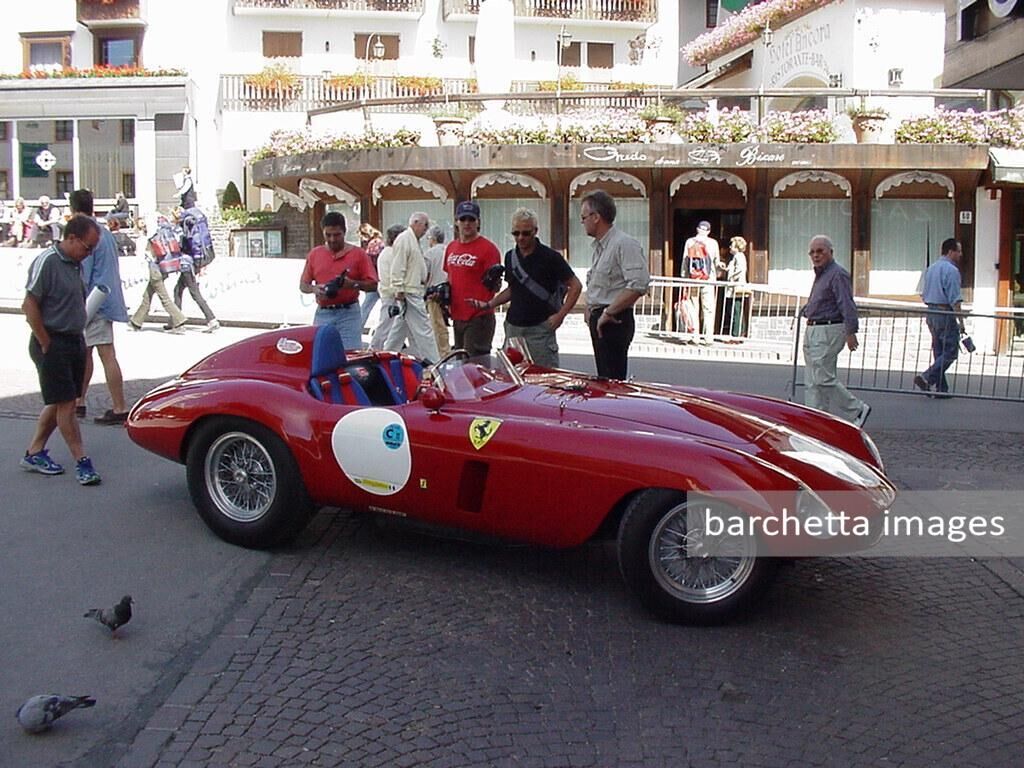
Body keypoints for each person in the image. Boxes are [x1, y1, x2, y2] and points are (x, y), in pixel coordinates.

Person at [20, 215, 102, 485]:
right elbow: (29, 304)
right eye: (87, 247)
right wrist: (45, 341)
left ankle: (34, 452)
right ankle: (82, 461)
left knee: (59, 402)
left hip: (73, 339)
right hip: (53, 341)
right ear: (71, 238)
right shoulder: (48, 262)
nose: (88, 254)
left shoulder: (74, 264)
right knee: (67, 404)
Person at [472, 208, 581, 368]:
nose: (520, 238)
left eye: (526, 233)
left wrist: (560, 315)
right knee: (510, 379)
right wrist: (489, 304)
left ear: (535, 231)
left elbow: (576, 285)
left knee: (545, 380)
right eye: (516, 233)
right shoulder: (510, 256)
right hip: (513, 328)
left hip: (540, 329)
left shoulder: (551, 257)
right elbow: (513, 289)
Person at [67, 190, 130, 425]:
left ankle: (119, 406)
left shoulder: (86, 232)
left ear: (74, 208)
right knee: (87, 352)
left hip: (93, 302)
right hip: (105, 298)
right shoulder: (105, 232)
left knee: (104, 353)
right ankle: (79, 400)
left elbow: (83, 271)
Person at [801, 234, 870, 427]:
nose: (816, 255)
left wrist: (851, 331)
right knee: (812, 381)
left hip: (829, 328)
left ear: (830, 252)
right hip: (814, 328)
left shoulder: (837, 274)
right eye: (812, 252)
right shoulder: (821, 274)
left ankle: (856, 409)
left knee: (822, 377)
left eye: (820, 251)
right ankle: (816, 419)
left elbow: (846, 303)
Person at [581, 189, 650, 379]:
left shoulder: (624, 243)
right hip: (601, 317)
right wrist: (589, 307)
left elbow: (639, 284)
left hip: (614, 319)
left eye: (584, 217)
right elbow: (598, 281)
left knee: (613, 382)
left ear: (596, 217)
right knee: (604, 378)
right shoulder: (600, 247)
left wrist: (608, 312)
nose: (582, 222)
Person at [300, 211, 377, 350]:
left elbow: (373, 285)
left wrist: (351, 284)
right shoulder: (315, 254)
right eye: (328, 235)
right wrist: (314, 289)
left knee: (351, 355)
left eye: (337, 235)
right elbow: (303, 285)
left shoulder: (358, 254)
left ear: (344, 232)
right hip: (323, 312)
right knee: (320, 356)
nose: (332, 239)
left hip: (349, 312)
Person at [445, 200, 502, 356]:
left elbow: (495, 286)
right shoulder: (451, 247)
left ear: (478, 222)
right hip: (457, 316)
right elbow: (449, 277)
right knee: (460, 366)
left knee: (473, 367)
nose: (467, 223)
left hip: (479, 317)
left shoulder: (488, 249)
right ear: (456, 222)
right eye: (463, 219)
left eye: (471, 219)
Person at [382, 212, 440, 363]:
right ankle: (435, 362)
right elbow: (398, 265)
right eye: (425, 225)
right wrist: (398, 288)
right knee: (424, 329)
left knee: (398, 330)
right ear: (415, 222)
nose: (426, 229)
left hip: (412, 290)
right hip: (409, 291)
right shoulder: (404, 240)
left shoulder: (411, 240)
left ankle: (385, 357)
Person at [914, 238, 965, 397]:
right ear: (951, 251)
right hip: (945, 312)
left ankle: (941, 389)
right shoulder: (951, 270)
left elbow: (923, 294)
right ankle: (927, 377)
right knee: (950, 351)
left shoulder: (931, 268)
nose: (960, 254)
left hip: (931, 311)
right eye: (959, 251)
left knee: (939, 349)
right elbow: (955, 299)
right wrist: (961, 321)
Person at [129, 214, 188, 332]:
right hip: (162, 268)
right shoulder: (163, 235)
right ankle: (136, 322)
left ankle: (179, 321)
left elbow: (146, 256)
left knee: (164, 298)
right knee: (147, 296)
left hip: (155, 270)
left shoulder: (151, 239)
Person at [172, 206, 220, 333]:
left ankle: (210, 319)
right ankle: (175, 321)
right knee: (178, 290)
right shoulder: (193, 226)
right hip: (194, 262)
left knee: (193, 293)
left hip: (187, 265)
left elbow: (182, 247)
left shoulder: (182, 229)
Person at [370, 224, 407, 350]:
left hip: (388, 292)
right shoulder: (392, 254)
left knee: (391, 325)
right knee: (386, 325)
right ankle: (375, 348)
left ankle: (383, 348)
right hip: (391, 294)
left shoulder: (386, 252)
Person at [682, 220, 719, 345]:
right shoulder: (713, 243)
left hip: (693, 280)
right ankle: (709, 338)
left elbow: (685, 262)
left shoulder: (690, 242)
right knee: (708, 309)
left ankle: (695, 336)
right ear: (708, 231)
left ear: (697, 229)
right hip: (708, 280)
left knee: (693, 307)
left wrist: (685, 278)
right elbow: (716, 262)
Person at [423, 225, 451, 357]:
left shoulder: (429, 254)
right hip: (449, 291)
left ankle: (443, 353)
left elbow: (425, 275)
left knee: (437, 325)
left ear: (432, 238)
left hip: (433, 293)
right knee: (443, 323)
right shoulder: (449, 250)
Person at [717, 235, 749, 340]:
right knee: (735, 310)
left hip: (736, 287)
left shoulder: (739, 256)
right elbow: (732, 268)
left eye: (732, 245)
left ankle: (736, 335)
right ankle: (738, 333)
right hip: (734, 287)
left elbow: (740, 270)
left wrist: (731, 278)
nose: (730, 247)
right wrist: (725, 268)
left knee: (736, 310)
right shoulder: (735, 257)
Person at [358, 223, 385, 329]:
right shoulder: (381, 242)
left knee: (365, 308)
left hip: (375, 281)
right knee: (387, 308)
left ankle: (357, 329)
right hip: (383, 280)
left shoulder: (373, 244)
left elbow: (369, 263)